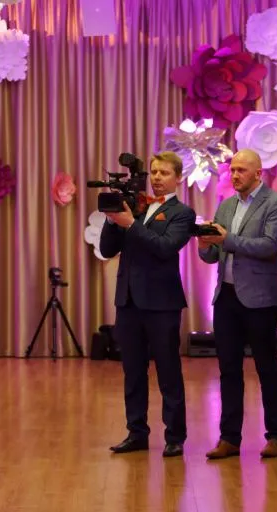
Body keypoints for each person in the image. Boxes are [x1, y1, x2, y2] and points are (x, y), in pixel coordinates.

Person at [197, 148, 277, 460]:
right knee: (228, 369)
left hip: (259, 300)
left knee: (267, 367)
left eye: (241, 170)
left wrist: (226, 240)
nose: (234, 175)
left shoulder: (276, 203)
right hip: (226, 297)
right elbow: (214, 255)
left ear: (258, 173)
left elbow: (269, 246)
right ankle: (229, 438)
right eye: (233, 170)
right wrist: (205, 245)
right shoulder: (226, 205)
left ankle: (276, 435)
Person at [100, 151, 195, 458]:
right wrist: (113, 220)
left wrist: (131, 224)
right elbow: (107, 249)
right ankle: (136, 432)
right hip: (128, 301)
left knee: (168, 371)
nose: (156, 178)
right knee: (133, 372)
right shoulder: (136, 207)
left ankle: (175, 436)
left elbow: (164, 248)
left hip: (162, 303)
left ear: (178, 178)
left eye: (164, 173)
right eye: (154, 172)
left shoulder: (182, 213)